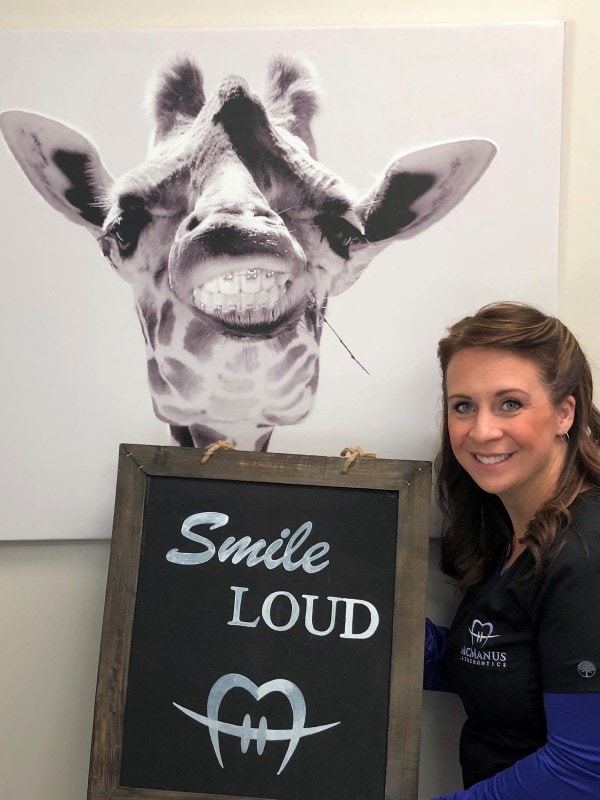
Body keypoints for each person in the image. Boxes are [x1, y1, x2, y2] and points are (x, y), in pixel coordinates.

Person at [425, 301, 600, 799]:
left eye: (510, 403)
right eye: (463, 406)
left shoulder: (586, 553)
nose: (481, 430)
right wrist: (338, 628)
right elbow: (499, 661)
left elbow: (584, 769)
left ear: (565, 412)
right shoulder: (506, 526)